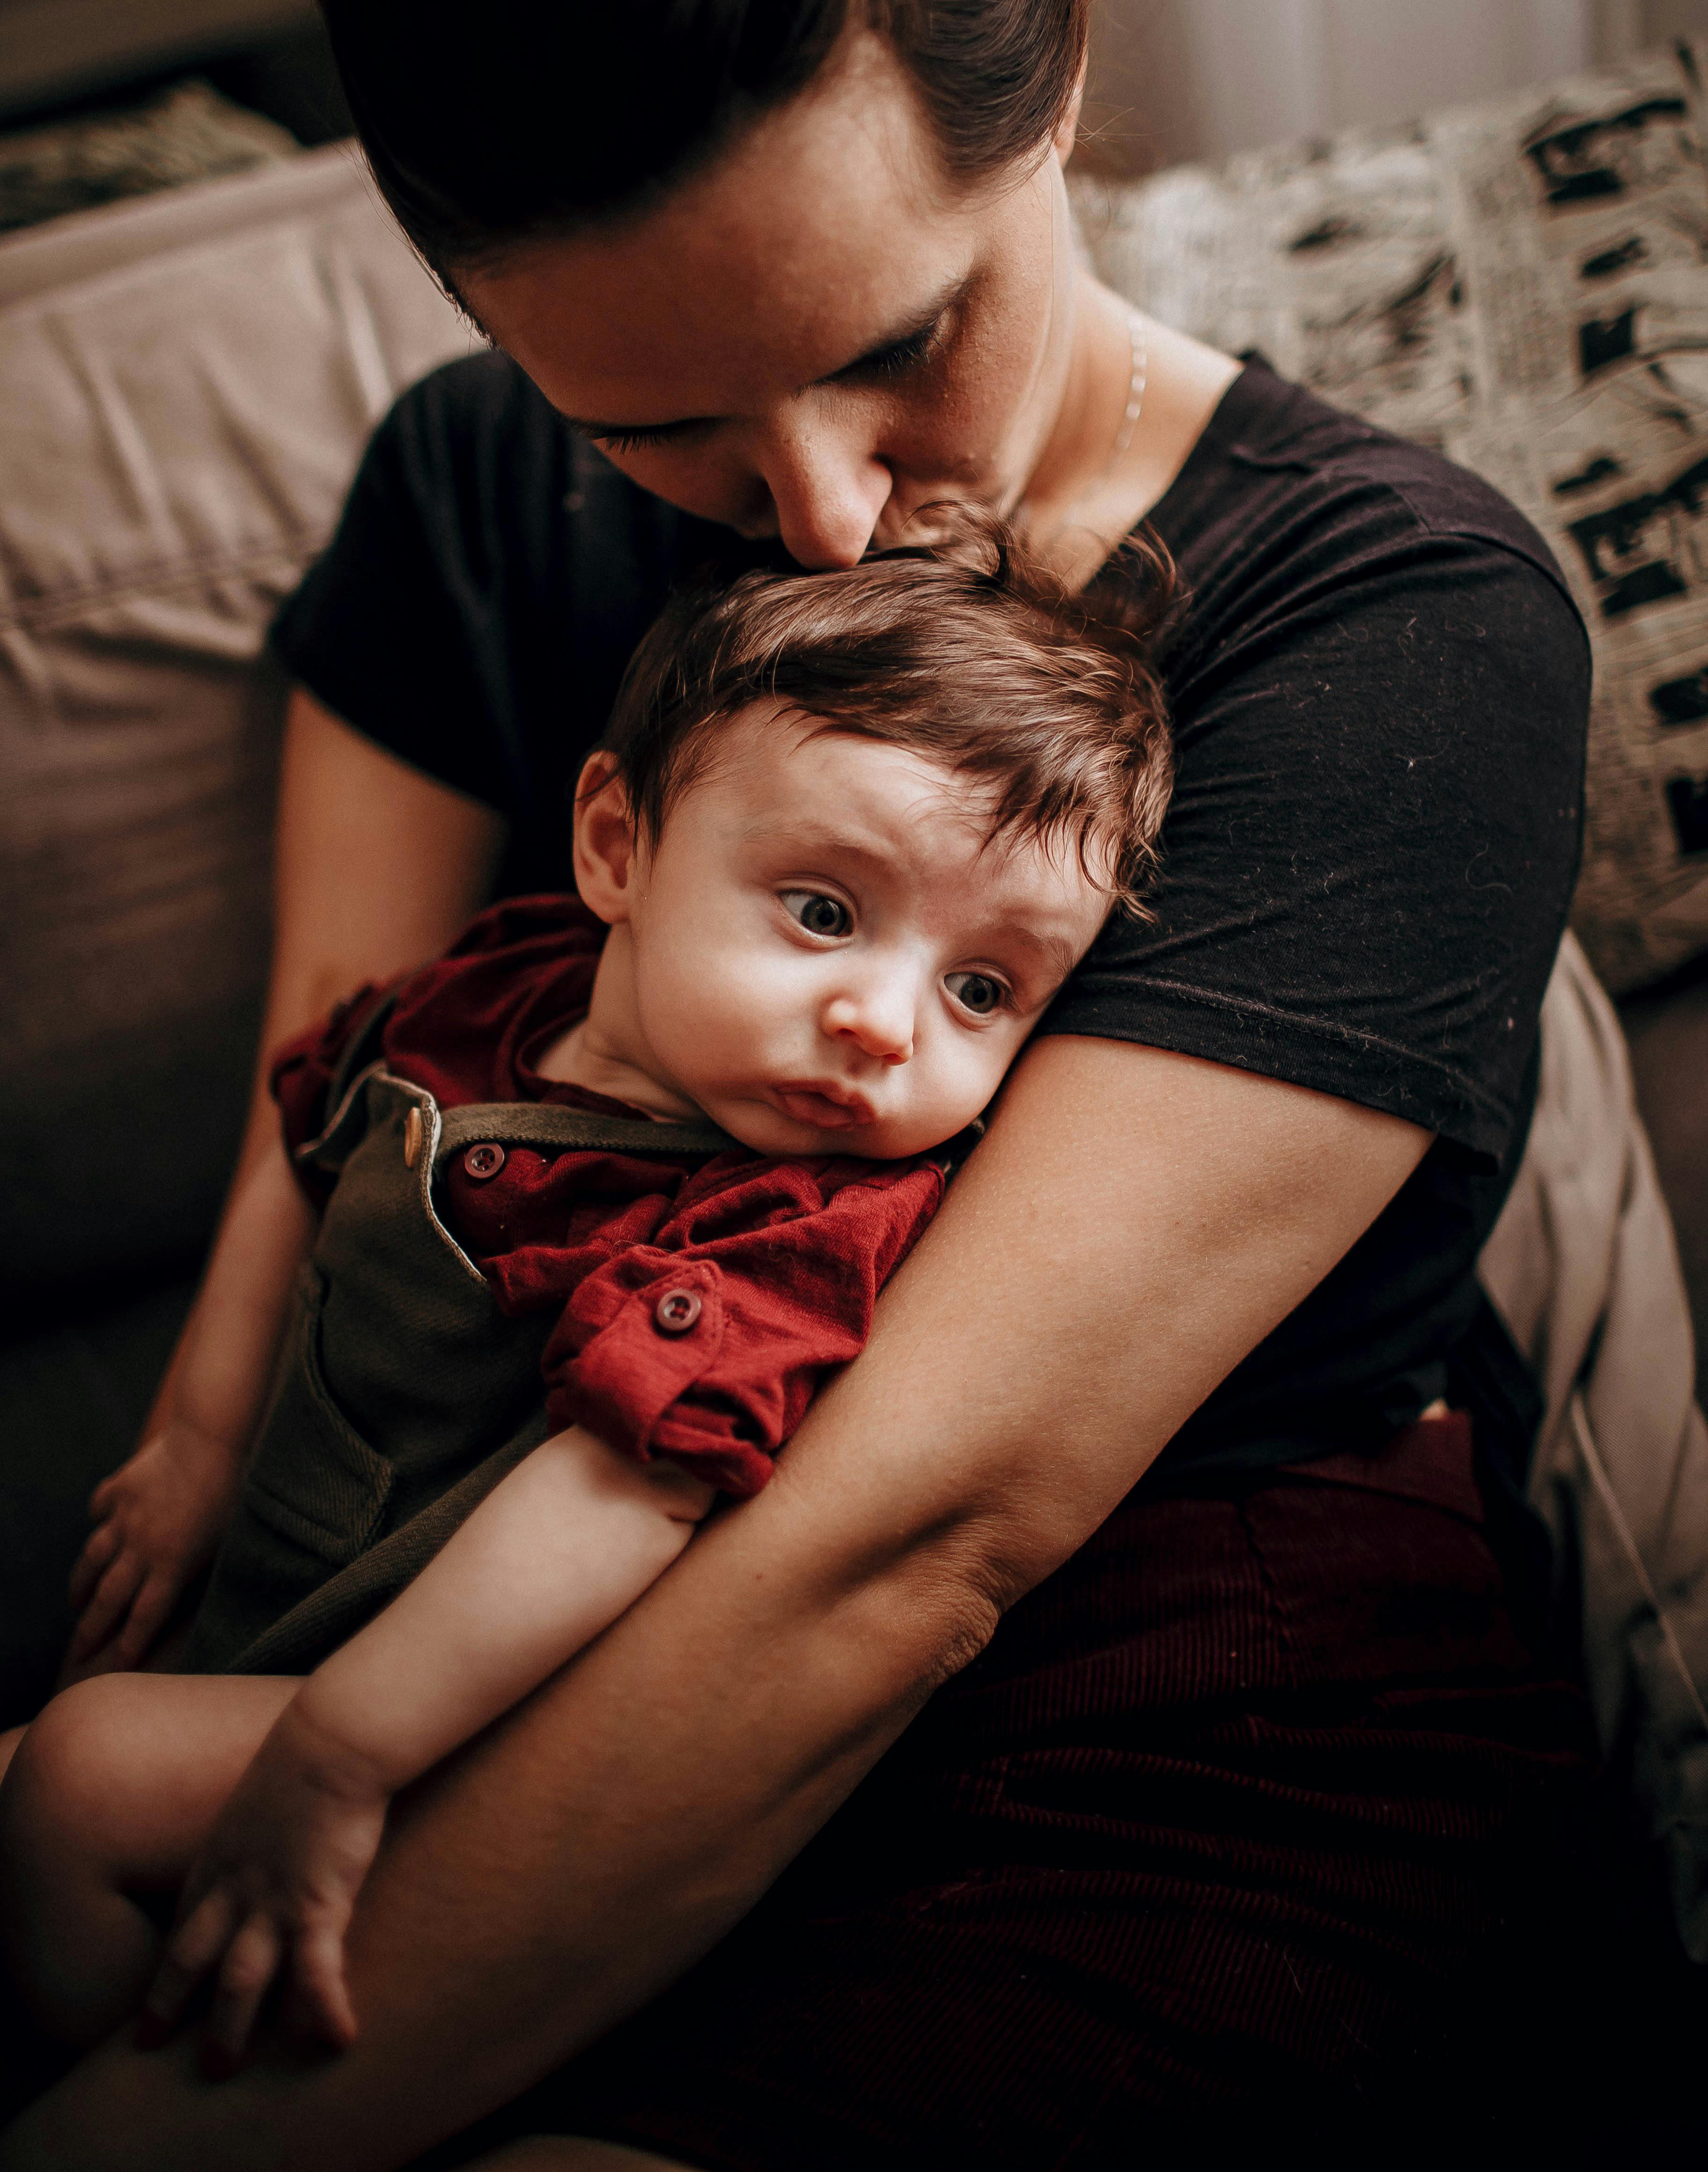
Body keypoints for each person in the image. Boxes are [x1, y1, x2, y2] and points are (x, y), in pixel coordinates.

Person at [0, 0, 1597, 2162]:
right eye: (663, 432)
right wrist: (205, 1483)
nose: (835, 517)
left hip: (1154, 1731)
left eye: (900, 342)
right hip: (513, 1619)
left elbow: (907, 1542)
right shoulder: (472, 488)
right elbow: (349, 1035)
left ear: (1053, 76)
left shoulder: (1401, 630)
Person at [0, 527, 1171, 2076]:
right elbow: (313, 1125)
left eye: (984, 990)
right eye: (825, 911)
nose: (885, 1025)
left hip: (469, 1719)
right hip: (278, 1607)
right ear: (617, 849)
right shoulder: (498, 989)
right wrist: (200, 1446)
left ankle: (118, 2115)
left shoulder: (791, 1223)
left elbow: (626, 1493)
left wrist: (343, 1755)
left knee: (75, 1780)